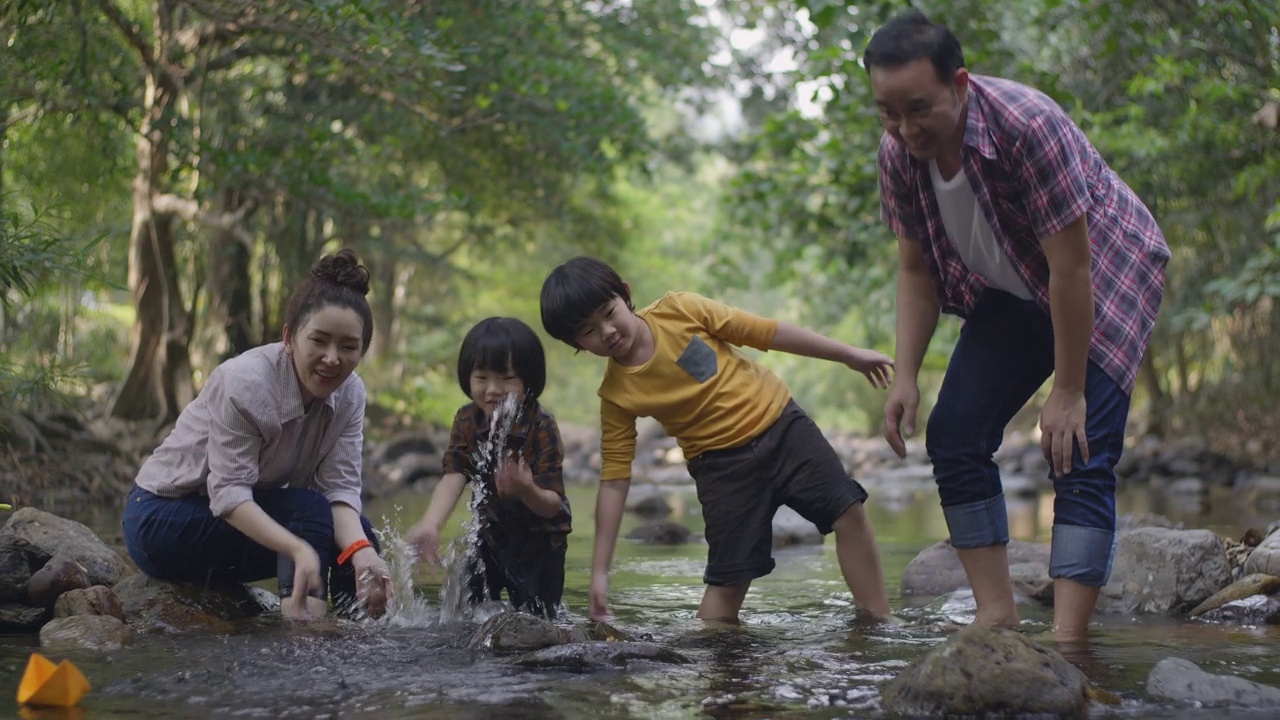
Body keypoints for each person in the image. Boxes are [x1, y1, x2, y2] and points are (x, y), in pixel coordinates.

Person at [866, 11, 1170, 640]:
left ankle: (1068, 641)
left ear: (961, 84)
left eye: (918, 108)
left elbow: (1072, 268)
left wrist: (1067, 390)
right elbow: (916, 270)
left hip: (1104, 271)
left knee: (1076, 447)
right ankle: (996, 616)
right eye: (888, 113)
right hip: (1011, 285)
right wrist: (906, 376)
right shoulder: (899, 153)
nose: (904, 128)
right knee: (952, 436)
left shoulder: (1029, 126)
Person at [539, 256, 895, 624]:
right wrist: (599, 571)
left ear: (625, 294)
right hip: (722, 472)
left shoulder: (680, 310)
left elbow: (765, 332)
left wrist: (849, 355)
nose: (607, 331)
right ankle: (716, 665)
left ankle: (879, 621)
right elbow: (614, 480)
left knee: (848, 512)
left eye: (609, 312)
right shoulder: (616, 395)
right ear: (575, 343)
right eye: (588, 331)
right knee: (729, 580)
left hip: (783, 428)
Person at [123, 249, 392, 621]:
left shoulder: (350, 394)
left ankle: (358, 636)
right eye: (319, 341)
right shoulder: (246, 383)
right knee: (308, 514)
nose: (332, 358)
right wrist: (298, 549)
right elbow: (229, 494)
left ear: (362, 350)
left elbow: (340, 490)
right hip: (160, 519)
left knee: (357, 532)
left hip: (221, 522)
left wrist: (363, 552)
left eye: (348, 346)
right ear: (289, 337)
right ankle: (304, 635)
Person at [406, 317, 571, 618]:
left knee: (538, 622)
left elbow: (553, 506)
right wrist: (431, 523)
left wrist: (526, 489)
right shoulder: (468, 420)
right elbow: (454, 474)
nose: (493, 389)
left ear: (528, 380)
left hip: (540, 545)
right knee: (465, 614)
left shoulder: (541, 425)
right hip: (490, 537)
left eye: (507, 378)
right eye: (481, 378)